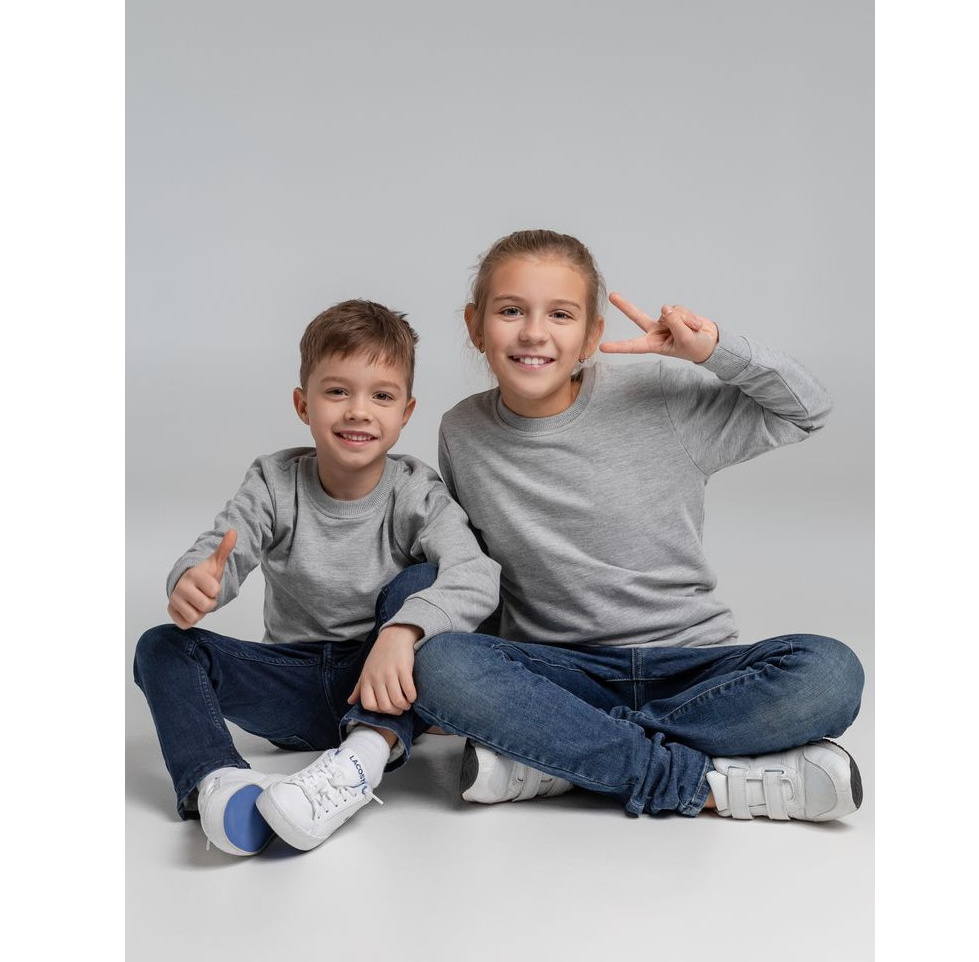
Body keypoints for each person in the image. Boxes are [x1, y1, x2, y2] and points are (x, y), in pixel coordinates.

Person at [406, 229, 865, 822]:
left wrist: (714, 352)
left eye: (561, 315)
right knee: (439, 664)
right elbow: (484, 563)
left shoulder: (658, 397)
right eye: (511, 310)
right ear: (475, 325)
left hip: (693, 667)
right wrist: (475, 682)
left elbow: (808, 410)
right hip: (564, 673)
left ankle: (560, 757)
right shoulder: (462, 431)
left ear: (591, 334)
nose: (534, 333)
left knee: (831, 673)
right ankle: (699, 781)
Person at [133, 300, 500, 855]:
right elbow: (224, 547)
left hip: (380, 680)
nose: (359, 411)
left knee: (424, 581)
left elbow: (476, 572)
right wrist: (194, 581)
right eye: (337, 392)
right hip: (293, 682)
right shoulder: (274, 481)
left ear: (406, 412)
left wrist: (402, 634)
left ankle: (363, 756)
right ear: (303, 404)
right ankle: (218, 784)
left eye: (381, 396)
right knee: (160, 646)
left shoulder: (414, 490)